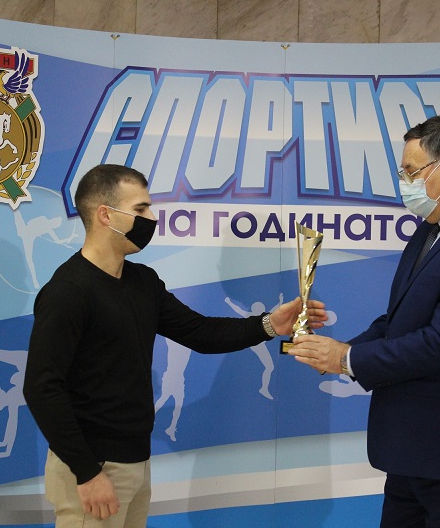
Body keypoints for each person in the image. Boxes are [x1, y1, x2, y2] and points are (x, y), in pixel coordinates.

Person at [23, 164, 327, 527]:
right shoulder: (68, 292)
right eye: (140, 209)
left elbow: (200, 332)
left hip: (135, 463)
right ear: (105, 215)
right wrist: (87, 473)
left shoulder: (143, 281)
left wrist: (269, 325)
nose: (152, 218)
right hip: (93, 468)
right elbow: (42, 388)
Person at [289, 116, 440, 526]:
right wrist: (337, 352)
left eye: (411, 172)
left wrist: (346, 359)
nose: (405, 184)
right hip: (411, 453)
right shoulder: (433, 229)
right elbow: (400, 320)